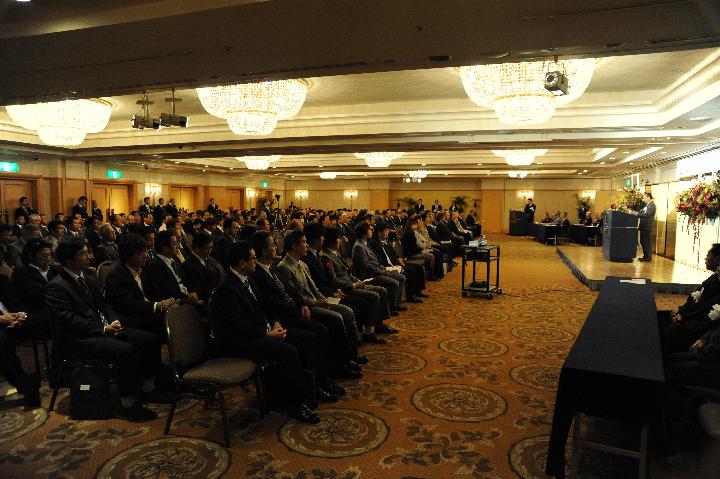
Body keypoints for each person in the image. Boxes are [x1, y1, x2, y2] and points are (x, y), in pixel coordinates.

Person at [45, 236, 166, 420]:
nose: (89, 256)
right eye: (83, 253)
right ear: (69, 259)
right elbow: (69, 321)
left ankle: (149, 387)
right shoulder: (56, 286)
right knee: (125, 350)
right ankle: (128, 402)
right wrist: (102, 329)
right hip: (79, 339)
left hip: (102, 328)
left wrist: (114, 321)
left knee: (150, 339)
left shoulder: (89, 278)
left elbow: (105, 305)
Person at [210, 241, 322, 423]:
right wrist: (266, 333)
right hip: (239, 341)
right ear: (242, 263)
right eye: (253, 259)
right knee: (288, 351)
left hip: (259, 331)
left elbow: (264, 307)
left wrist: (275, 322)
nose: (256, 262)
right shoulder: (226, 289)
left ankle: (311, 390)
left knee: (306, 338)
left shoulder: (249, 279)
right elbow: (235, 326)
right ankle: (295, 404)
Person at [276, 230, 364, 378]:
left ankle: (348, 358)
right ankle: (341, 364)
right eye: (304, 242)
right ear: (294, 246)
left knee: (347, 311)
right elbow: (295, 295)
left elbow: (314, 288)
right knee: (337, 318)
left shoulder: (302, 263)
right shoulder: (284, 267)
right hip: (308, 306)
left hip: (317, 301)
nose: (306, 245)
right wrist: (315, 302)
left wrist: (324, 299)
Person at [658, 244, 720, 356]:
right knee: (658, 316)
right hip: (692, 319)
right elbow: (695, 302)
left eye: (708, 256)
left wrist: (683, 318)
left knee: (664, 330)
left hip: (700, 330)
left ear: (717, 259)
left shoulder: (716, 285)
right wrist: (680, 312)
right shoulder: (714, 278)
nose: (705, 259)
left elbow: (705, 313)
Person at [0, 276, 40, 408]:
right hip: (3, 327)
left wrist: (22, 315)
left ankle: (60, 373)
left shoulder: (2, 280)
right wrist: (1, 319)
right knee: (2, 341)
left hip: (15, 322)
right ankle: (24, 383)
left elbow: (18, 303)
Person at [352, 221, 405, 313]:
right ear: (364, 233)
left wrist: (384, 268)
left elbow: (374, 262)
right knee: (394, 282)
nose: (371, 231)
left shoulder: (364, 243)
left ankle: (395, 304)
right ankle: (391, 308)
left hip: (375, 271)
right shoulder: (359, 246)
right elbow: (366, 266)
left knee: (400, 277)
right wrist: (382, 271)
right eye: (369, 230)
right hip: (369, 276)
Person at [370, 222, 426, 303]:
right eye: (385, 231)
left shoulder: (386, 241)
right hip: (387, 266)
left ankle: (417, 291)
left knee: (418, 267)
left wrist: (399, 259)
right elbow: (379, 260)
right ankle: (410, 296)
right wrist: (394, 265)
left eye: (388, 231)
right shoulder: (374, 243)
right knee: (411, 271)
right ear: (379, 232)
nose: (387, 233)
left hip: (395, 263)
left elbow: (394, 254)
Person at [181, 231, 224, 303]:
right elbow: (196, 290)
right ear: (197, 248)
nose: (210, 251)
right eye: (206, 248)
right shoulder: (188, 265)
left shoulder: (209, 259)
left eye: (211, 247)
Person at [634, 192, 656, 261]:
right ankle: (645, 256)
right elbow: (643, 212)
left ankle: (648, 257)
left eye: (644, 198)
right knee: (643, 242)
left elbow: (647, 214)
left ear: (648, 197)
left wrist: (637, 214)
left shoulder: (652, 205)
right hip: (644, 226)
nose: (643, 200)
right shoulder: (647, 205)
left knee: (646, 242)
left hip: (647, 227)